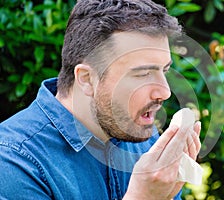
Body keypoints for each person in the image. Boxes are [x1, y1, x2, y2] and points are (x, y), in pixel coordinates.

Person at [0, 0, 201, 199]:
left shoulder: (144, 141)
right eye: (142, 74)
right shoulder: (13, 160)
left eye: (163, 70)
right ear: (87, 79)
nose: (164, 92)